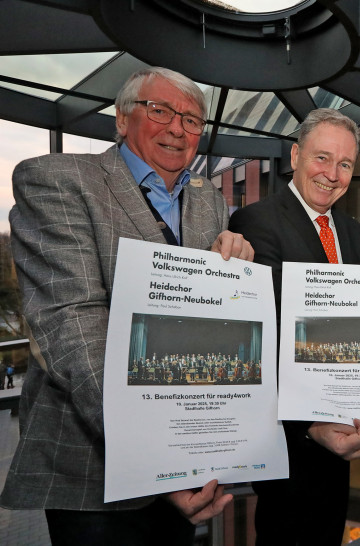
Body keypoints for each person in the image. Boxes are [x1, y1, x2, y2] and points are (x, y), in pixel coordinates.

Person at [0, 67, 254, 546]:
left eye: (193, 121)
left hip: (190, 459)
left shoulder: (210, 201)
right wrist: (159, 461)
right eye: (160, 111)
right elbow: (73, 327)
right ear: (121, 118)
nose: (178, 128)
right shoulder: (59, 180)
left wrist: (234, 263)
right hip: (93, 471)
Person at [228, 108, 360, 546]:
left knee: (330, 529)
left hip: (343, 423)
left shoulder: (351, 232)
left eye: (346, 164)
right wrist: (308, 426)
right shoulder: (256, 222)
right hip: (291, 435)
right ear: (295, 156)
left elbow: (356, 314)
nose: (333, 175)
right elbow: (266, 335)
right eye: (322, 158)